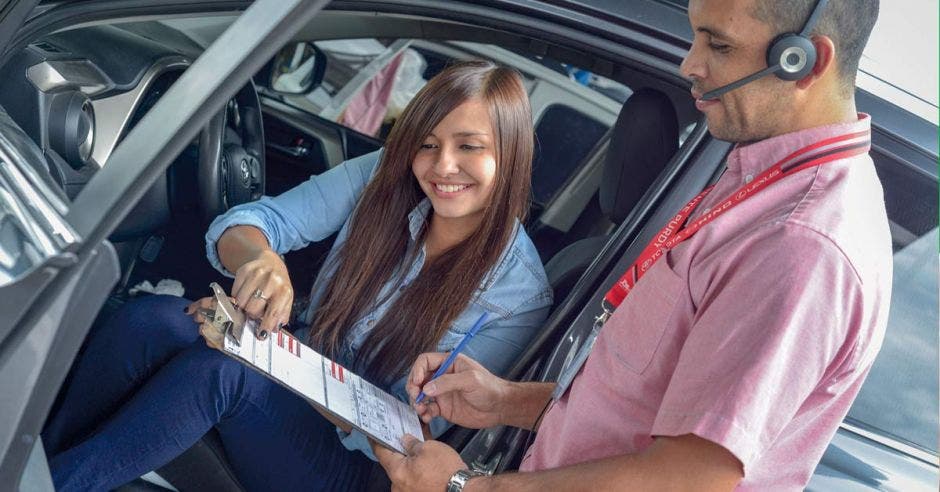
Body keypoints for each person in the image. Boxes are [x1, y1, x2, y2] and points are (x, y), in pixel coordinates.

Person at [374, 1, 890, 490]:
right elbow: (640, 409)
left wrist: (463, 486)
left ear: (804, 60)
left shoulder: (797, 242)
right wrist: (505, 402)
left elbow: (683, 479)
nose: (691, 64)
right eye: (696, 38)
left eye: (720, 46)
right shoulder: (760, 183)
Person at [42, 60, 553, 491]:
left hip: (363, 463)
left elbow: (413, 433)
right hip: (295, 374)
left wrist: (267, 359)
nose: (442, 166)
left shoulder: (518, 296)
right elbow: (255, 223)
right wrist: (261, 264)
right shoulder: (385, 176)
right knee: (152, 321)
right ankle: (37, 463)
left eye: (469, 147)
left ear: (510, 155)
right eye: (427, 143)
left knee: (222, 373)